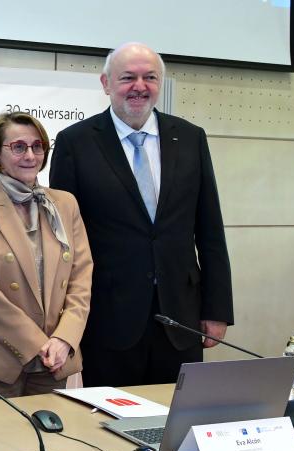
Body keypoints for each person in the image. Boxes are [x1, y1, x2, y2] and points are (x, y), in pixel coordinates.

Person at [49, 42, 233, 387]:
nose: (140, 86)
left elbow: (210, 230)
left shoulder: (191, 138)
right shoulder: (75, 143)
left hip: (182, 318)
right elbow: (65, 241)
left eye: (150, 77)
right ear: (106, 84)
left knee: (177, 423)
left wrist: (216, 310)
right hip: (108, 318)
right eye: (128, 77)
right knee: (108, 426)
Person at [0, 112, 92, 401]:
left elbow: (81, 277)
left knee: (49, 444)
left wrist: (64, 338)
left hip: (53, 360)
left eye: (37, 146)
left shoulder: (65, 204)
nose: (30, 155)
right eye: (18, 147)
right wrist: (38, 344)